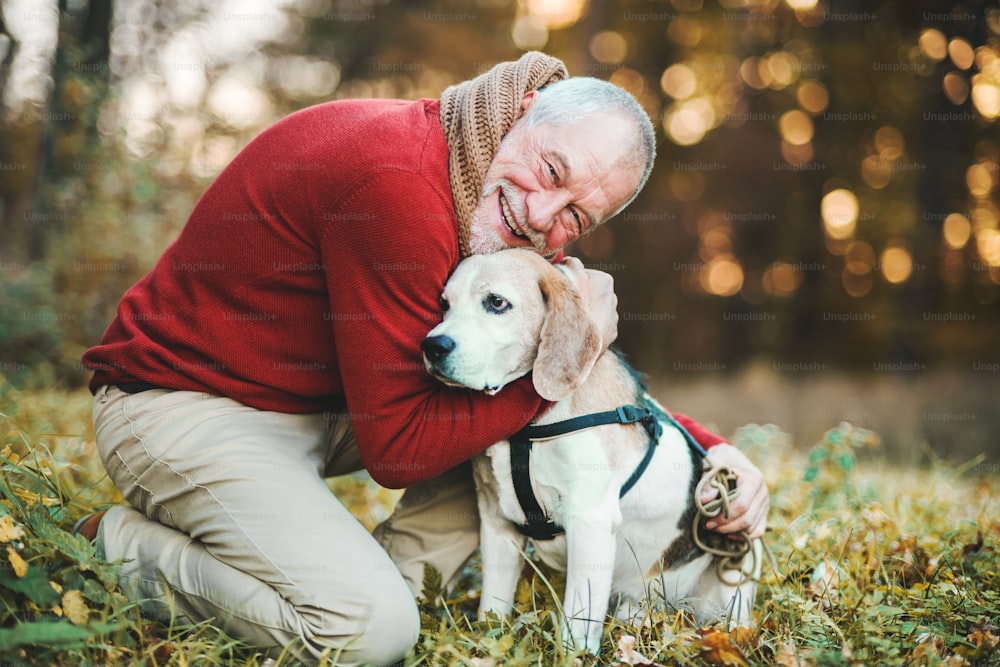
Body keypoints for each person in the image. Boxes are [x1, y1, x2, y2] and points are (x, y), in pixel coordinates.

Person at [79, 52, 769, 665]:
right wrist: (554, 363)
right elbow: (402, 448)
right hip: (177, 404)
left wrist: (712, 450)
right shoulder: (400, 183)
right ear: (524, 113)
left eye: (575, 218)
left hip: (308, 405)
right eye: (551, 170)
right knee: (369, 631)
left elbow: (577, 386)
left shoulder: (496, 203)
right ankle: (120, 544)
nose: (540, 212)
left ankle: (362, 574)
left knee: (493, 448)